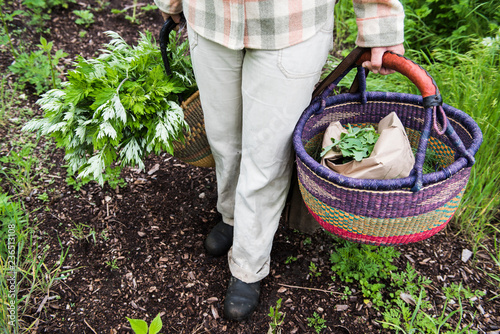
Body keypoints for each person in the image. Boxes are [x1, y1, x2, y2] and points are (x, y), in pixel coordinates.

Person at [155, 0, 405, 321]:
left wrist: (379, 22)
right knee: (223, 139)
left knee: (267, 157)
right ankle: (231, 216)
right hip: (210, 17)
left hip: (290, 21)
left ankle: (249, 263)